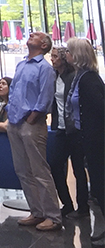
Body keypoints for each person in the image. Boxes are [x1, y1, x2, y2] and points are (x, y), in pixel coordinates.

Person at [7, 30, 62, 231]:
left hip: (31, 123)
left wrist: (32, 117)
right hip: (14, 122)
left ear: (44, 45)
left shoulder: (45, 68)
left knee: (39, 170)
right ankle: (37, 211)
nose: (31, 34)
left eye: (37, 35)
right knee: (23, 170)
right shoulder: (21, 65)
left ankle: (53, 216)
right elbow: (14, 92)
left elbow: (46, 96)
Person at [65, 37, 105, 244]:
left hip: (96, 139)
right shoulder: (81, 77)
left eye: (69, 52)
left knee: (100, 184)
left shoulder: (88, 80)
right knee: (97, 183)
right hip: (88, 137)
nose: (66, 55)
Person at [49, 45, 89, 219]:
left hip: (74, 130)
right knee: (55, 165)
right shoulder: (55, 77)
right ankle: (67, 203)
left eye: (55, 56)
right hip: (61, 129)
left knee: (78, 169)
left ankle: (82, 207)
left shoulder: (72, 77)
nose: (52, 59)